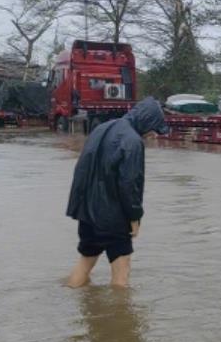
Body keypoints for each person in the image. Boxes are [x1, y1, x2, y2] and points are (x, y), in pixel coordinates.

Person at [65, 97, 169, 288]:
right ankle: (120, 315)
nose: (153, 134)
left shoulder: (102, 128)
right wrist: (135, 217)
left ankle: (69, 298)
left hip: (86, 212)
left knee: (86, 261)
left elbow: (81, 168)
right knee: (122, 272)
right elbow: (130, 184)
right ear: (147, 122)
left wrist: (79, 207)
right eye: (154, 129)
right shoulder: (133, 141)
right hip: (112, 216)